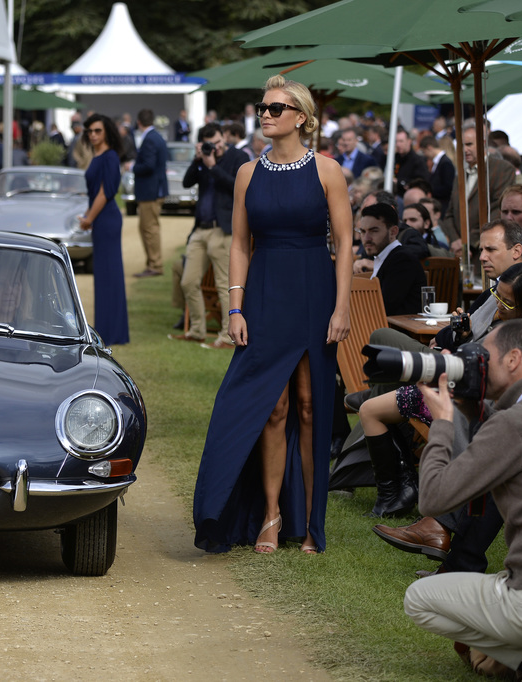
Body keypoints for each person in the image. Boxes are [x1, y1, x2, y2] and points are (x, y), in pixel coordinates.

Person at [193, 75, 352, 555]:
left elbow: (344, 244)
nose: (265, 114)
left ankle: (307, 522)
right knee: (271, 408)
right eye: (263, 107)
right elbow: (240, 244)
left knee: (308, 405)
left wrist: (342, 305)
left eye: (276, 108)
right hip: (263, 293)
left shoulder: (328, 171)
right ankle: (270, 514)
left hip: (313, 292)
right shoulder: (246, 172)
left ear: (300, 117)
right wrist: (234, 307)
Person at [403, 320, 522, 680]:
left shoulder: (514, 424)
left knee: (420, 599)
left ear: (513, 359)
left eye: (484, 356)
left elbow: (434, 498)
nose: (477, 363)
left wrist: (443, 420)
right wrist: (475, 407)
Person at [357, 263, 522, 518]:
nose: (499, 303)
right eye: (497, 295)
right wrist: (463, 335)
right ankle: (398, 492)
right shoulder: (496, 305)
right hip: (449, 382)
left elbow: (493, 391)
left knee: (369, 410)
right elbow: (456, 340)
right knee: (382, 368)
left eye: (507, 302)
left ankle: (395, 495)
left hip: (460, 402)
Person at [169, 123, 248, 348]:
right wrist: (198, 160)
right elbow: (186, 182)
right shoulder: (203, 158)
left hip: (222, 229)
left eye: (218, 142)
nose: (216, 147)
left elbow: (238, 187)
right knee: (188, 281)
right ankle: (197, 331)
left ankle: (226, 335)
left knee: (224, 284)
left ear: (224, 137)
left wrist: (213, 167)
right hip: (200, 229)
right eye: (210, 144)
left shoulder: (238, 157)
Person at [78, 114, 129, 347]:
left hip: (106, 219)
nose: (93, 135)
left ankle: (112, 331)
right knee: (104, 274)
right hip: (101, 219)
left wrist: (89, 218)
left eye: (97, 131)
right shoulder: (99, 155)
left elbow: (105, 192)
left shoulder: (109, 157)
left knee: (110, 274)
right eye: (90, 131)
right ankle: (107, 328)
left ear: (106, 131)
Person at [441, 123, 516, 257]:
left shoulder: (502, 169)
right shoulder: (460, 174)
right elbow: (450, 213)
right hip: (460, 252)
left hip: (487, 249)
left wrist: (468, 241)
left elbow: (498, 210)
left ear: (483, 143)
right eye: (461, 145)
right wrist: (456, 240)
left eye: (469, 144)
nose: (464, 150)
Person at [352, 202, 427, 315]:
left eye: (374, 231)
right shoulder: (386, 257)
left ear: (393, 232)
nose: (366, 238)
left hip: (397, 330)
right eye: (363, 232)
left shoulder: (402, 260)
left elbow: (383, 308)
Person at [132, 109, 168, 277]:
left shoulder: (150, 139)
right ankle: (153, 263)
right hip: (154, 189)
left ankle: (155, 265)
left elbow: (148, 165)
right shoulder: (156, 136)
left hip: (150, 191)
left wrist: (132, 167)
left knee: (150, 229)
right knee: (147, 228)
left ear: (139, 122)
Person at [391, 127, 430, 197]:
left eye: (401, 141)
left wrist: (399, 182)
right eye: (396, 141)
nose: (398, 144)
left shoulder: (418, 161)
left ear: (409, 141)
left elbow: (422, 182)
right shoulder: (394, 158)